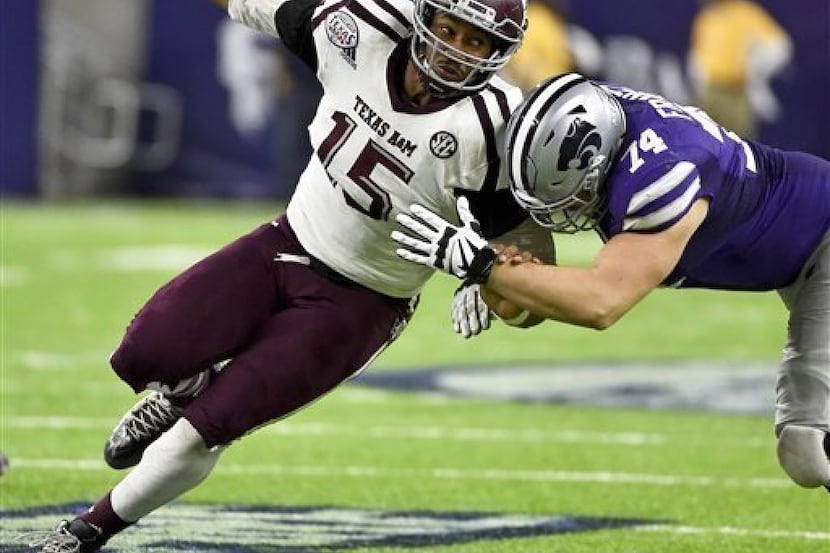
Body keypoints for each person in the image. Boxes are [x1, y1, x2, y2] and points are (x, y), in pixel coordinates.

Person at [24, 0, 555, 551]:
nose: (456, 52)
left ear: (500, 52)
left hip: (362, 302)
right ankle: (185, 387)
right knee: (141, 352)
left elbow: (531, 274)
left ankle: (88, 529)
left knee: (209, 427)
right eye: (450, 30)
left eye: (477, 43)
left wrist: (490, 279)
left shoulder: (495, 129)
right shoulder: (358, 28)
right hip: (286, 242)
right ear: (424, 19)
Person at [392, 72, 830, 491]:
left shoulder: (664, 172)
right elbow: (529, 303)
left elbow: (600, 303)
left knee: (808, 446)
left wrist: (486, 267)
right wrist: (494, 277)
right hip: (802, 258)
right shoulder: (585, 119)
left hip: (822, 241)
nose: (558, 214)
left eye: (571, 195)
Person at [687, 0, 793, 139]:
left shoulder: (744, 13)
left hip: (737, 93)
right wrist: (699, 85)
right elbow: (697, 56)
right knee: (703, 141)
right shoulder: (706, 17)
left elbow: (780, 47)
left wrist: (755, 72)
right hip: (710, 92)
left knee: (738, 144)